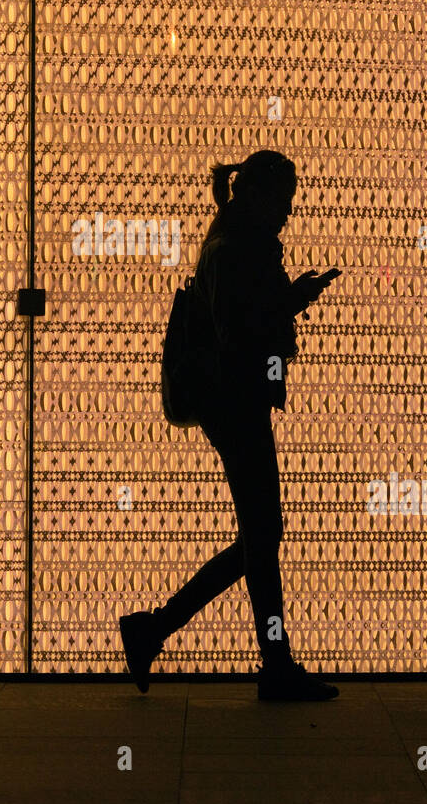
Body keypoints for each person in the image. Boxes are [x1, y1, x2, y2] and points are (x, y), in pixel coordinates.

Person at [119, 150, 341, 701]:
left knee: (259, 539)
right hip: (237, 407)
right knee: (262, 538)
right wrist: (291, 301)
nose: (289, 211)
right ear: (261, 196)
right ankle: (265, 661)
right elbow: (237, 332)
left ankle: (161, 631)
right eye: (284, 200)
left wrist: (286, 301)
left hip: (236, 404)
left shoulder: (235, 235)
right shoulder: (234, 246)